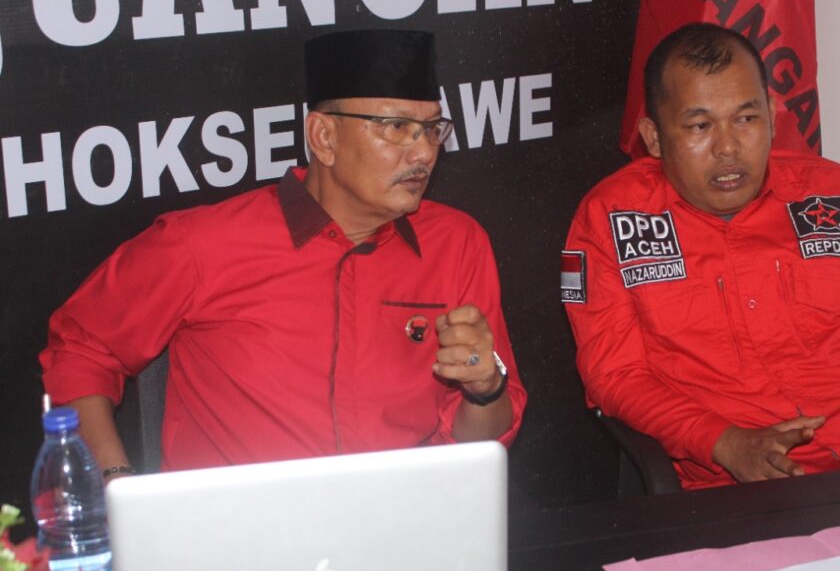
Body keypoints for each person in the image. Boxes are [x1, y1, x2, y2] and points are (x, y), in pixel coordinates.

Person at [40, 29, 526, 476]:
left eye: (432, 129)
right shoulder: (203, 244)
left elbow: (478, 447)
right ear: (324, 137)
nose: (422, 153)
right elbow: (80, 349)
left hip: (399, 519)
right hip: (233, 528)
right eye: (396, 127)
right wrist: (115, 485)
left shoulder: (456, 243)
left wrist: (486, 391)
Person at [561, 23, 840, 490]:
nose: (728, 148)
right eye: (699, 126)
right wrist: (724, 443)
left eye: (746, 118)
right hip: (744, 493)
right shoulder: (612, 218)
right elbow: (615, 377)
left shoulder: (836, 192)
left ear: (773, 117)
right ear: (653, 138)